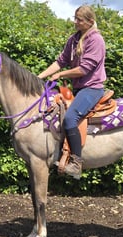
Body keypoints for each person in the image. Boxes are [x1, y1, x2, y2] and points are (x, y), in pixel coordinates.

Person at [38, 5, 106, 180]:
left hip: (92, 88)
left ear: (90, 22)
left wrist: (60, 75)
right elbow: (60, 61)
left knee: (70, 118)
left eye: (79, 19)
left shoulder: (96, 40)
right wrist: (38, 77)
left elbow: (84, 69)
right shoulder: (74, 39)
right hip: (78, 89)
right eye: (75, 18)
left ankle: (76, 164)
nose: (75, 22)